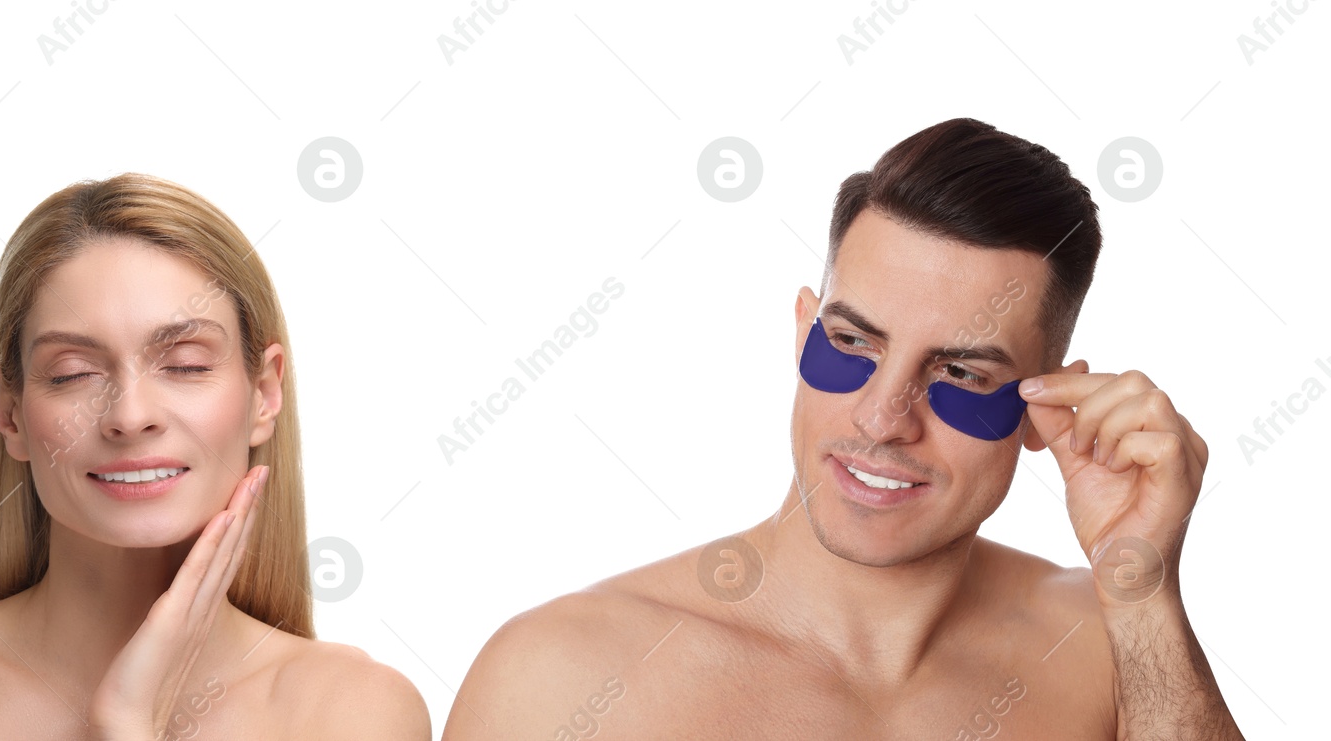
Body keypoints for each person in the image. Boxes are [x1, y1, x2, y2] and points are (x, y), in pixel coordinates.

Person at [443, 118, 1243, 739]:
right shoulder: (560, 679)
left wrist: (1141, 586)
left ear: (1047, 408)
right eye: (853, 343)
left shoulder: (1109, 653)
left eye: (960, 373)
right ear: (803, 332)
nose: (880, 417)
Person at [0, 174, 430, 740]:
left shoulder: (354, 711)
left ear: (264, 395)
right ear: (10, 413)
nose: (130, 417)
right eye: (73, 373)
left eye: (185, 364)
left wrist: (129, 723)